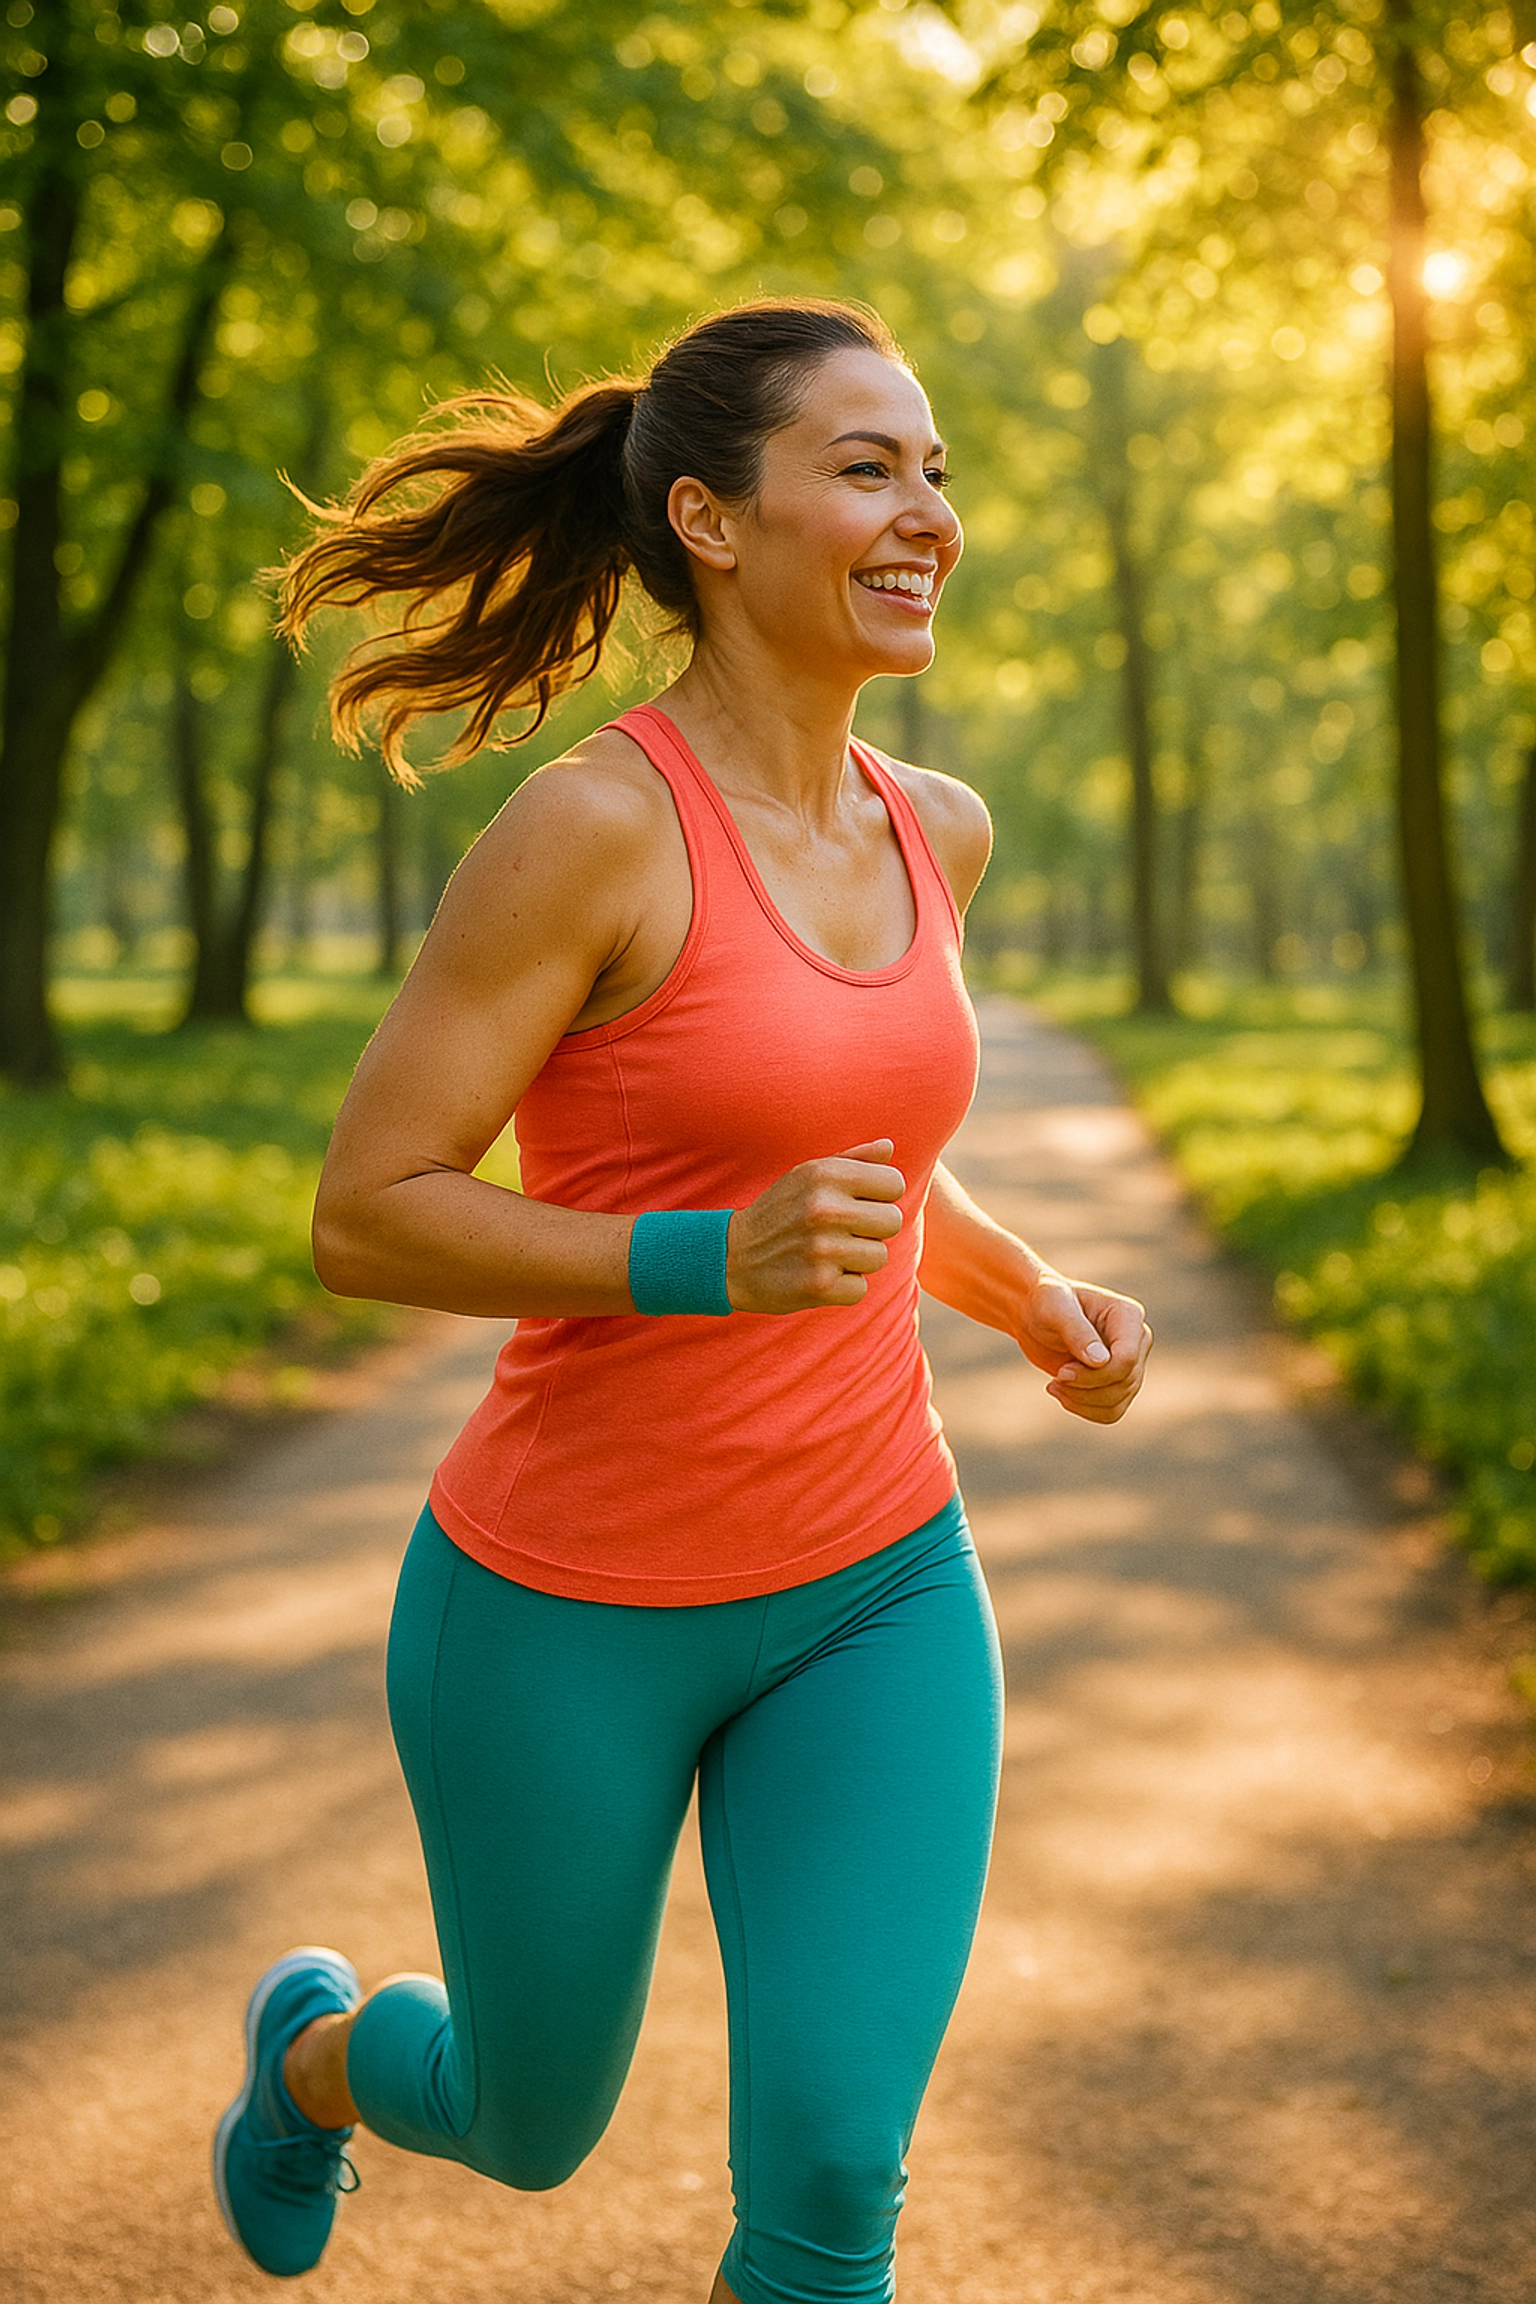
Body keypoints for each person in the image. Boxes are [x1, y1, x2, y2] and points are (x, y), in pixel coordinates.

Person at [212, 298, 1150, 2302]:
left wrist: (1027, 1295)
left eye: (939, 472)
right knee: (533, 2121)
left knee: (828, 2175)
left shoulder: (936, 828)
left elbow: (872, 1165)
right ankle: (312, 2060)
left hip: (875, 1585)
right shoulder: (591, 834)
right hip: (563, 1606)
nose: (928, 516)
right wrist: (691, 1262)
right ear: (713, 523)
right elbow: (366, 1212)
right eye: (869, 468)